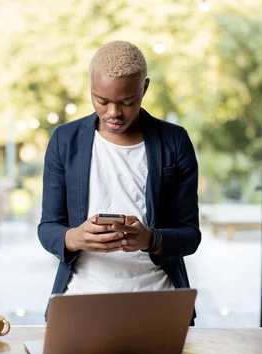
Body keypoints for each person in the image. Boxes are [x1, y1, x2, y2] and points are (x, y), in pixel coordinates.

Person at [37, 40, 201, 321]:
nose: (113, 112)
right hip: (81, 302)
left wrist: (150, 238)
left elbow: (190, 235)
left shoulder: (175, 141)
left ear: (144, 88)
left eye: (126, 101)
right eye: (101, 100)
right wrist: (75, 237)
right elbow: (47, 227)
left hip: (158, 301)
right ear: (90, 87)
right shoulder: (65, 141)